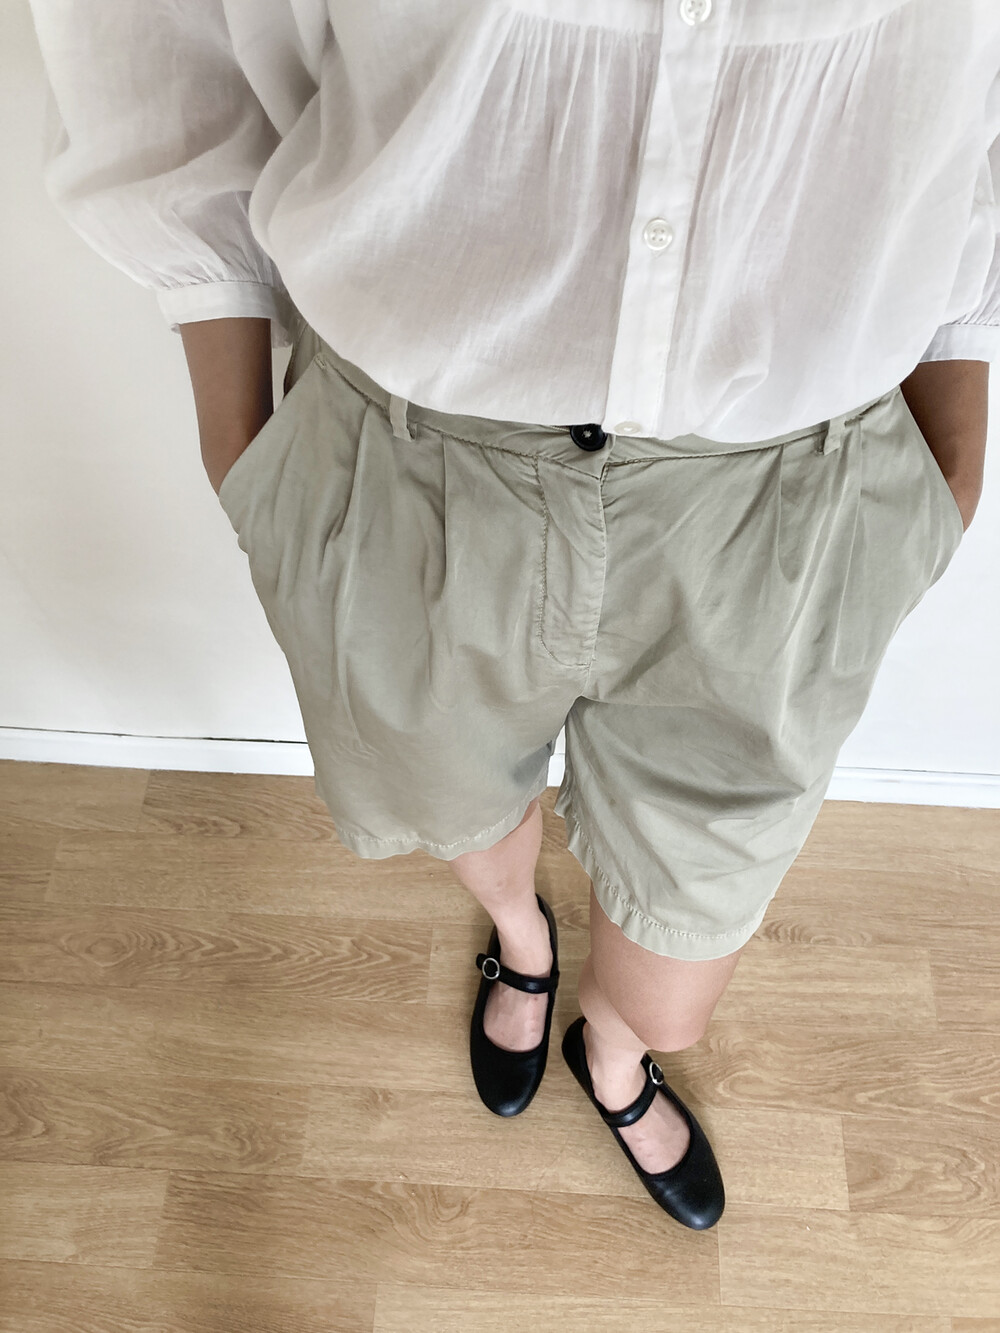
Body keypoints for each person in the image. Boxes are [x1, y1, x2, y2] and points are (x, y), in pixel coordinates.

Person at [27, 0, 996, 1230]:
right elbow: (148, 28)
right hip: (414, 462)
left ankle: (618, 1049)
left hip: (786, 499)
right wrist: (241, 439)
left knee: (682, 967)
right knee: (454, 799)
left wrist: (954, 412)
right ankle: (519, 936)